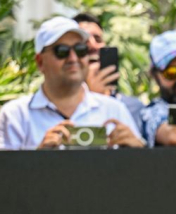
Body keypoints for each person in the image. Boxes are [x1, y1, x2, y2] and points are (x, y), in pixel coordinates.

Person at [0, 17, 143, 150]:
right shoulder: (15, 116)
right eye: (62, 51)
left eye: (80, 50)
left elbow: (142, 173)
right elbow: (6, 175)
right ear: (40, 61)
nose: (73, 58)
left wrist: (137, 152)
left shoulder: (114, 110)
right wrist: (39, 158)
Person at [72, 12, 145, 128]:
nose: (93, 46)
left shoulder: (134, 107)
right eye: (84, 42)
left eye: (98, 39)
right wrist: (92, 97)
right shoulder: (62, 108)